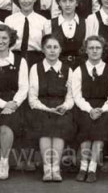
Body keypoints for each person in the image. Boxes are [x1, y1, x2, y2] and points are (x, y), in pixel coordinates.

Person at [28, 34, 74, 182]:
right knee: (45, 126)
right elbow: (33, 98)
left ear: (60, 50)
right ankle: (47, 169)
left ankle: (56, 168)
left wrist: (65, 106)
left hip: (61, 108)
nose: (52, 51)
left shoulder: (68, 70)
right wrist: (47, 109)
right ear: (43, 49)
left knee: (60, 125)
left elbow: (71, 96)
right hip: (42, 108)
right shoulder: (36, 68)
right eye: (48, 47)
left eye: (55, 47)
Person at [72, 35, 108, 183]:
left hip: (105, 109)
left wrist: (102, 110)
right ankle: (83, 167)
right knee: (86, 130)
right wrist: (89, 109)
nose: (94, 51)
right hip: (85, 108)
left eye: (98, 48)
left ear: (103, 50)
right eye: (91, 48)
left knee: (99, 132)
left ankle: (92, 168)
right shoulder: (78, 70)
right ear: (86, 50)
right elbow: (77, 95)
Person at [0, 24, 28, 180]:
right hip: (3, 103)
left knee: (5, 127)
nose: (1, 41)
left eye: (4, 38)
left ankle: (3, 162)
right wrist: (3, 104)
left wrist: (13, 104)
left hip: (14, 102)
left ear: (10, 40)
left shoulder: (19, 60)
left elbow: (24, 87)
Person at [5, 0, 47, 68]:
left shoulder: (43, 21)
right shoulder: (9, 20)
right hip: (14, 58)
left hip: (36, 59)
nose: (26, 1)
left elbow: (46, 45)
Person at [45, 0, 86, 69]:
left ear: (77, 3)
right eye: (64, 1)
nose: (67, 4)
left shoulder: (86, 23)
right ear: (59, 3)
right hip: (58, 68)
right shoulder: (50, 24)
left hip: (80, 68)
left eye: (71, 1)